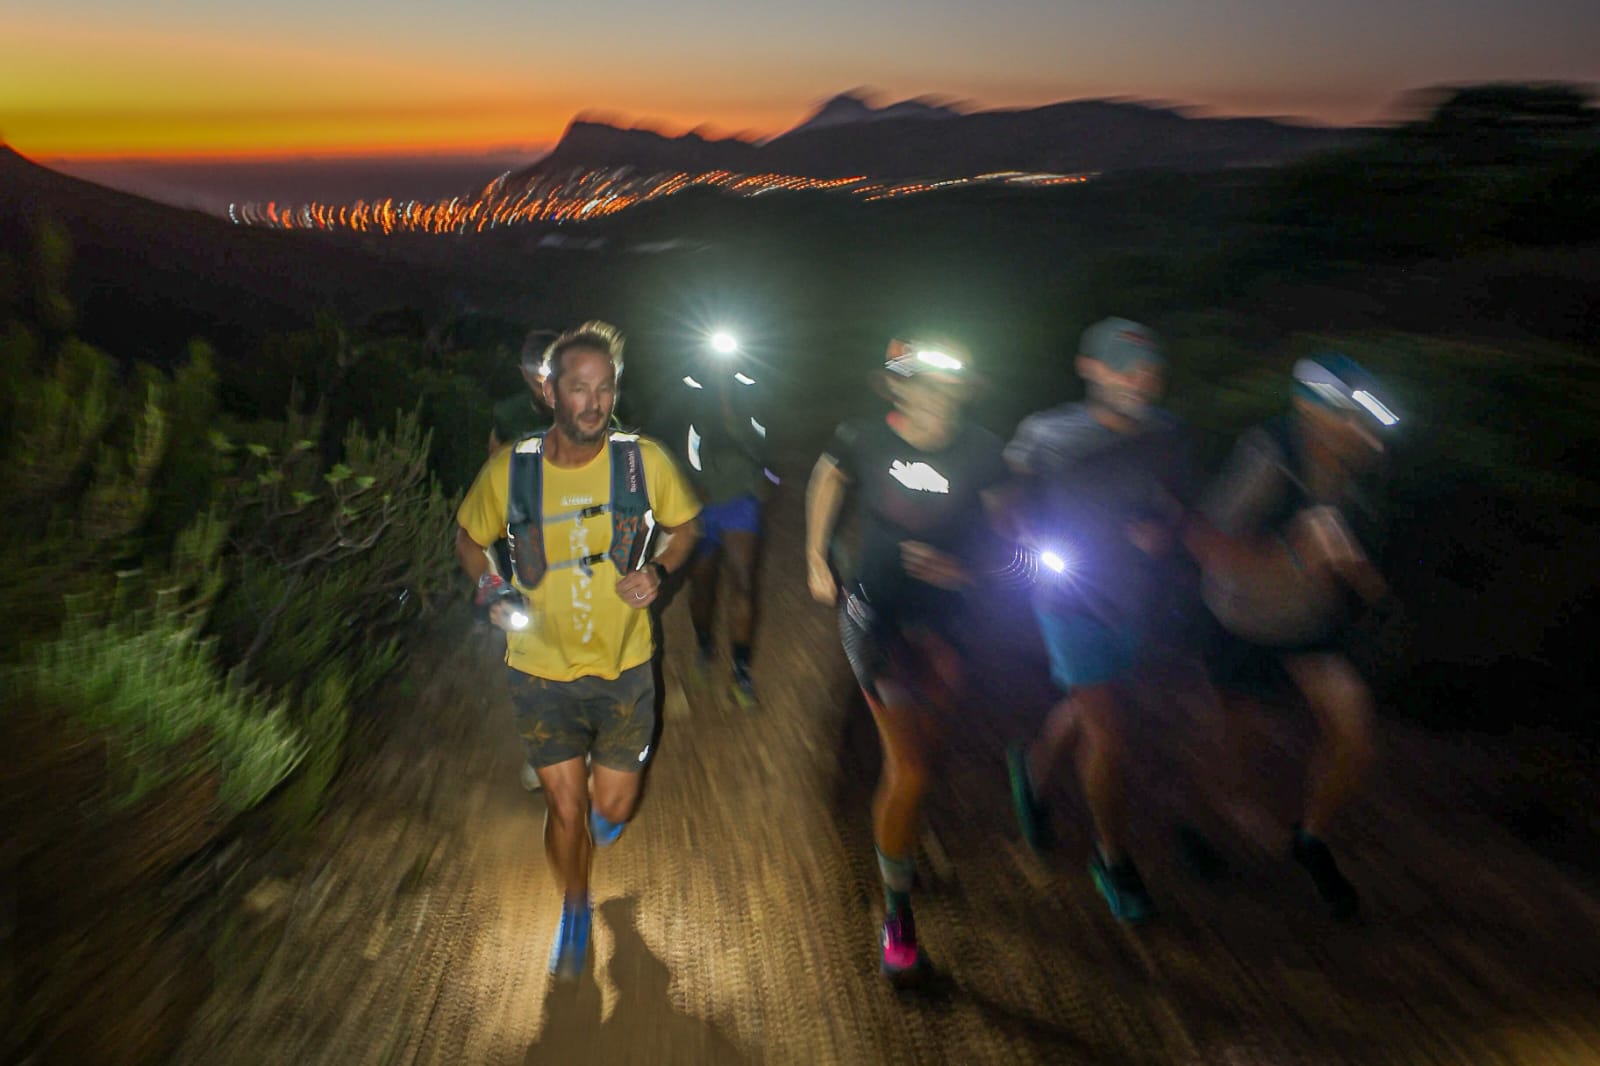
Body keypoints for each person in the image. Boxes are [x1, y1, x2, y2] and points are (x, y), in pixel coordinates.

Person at [455, 321, 701, 979]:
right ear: (551, 393)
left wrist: (662, 572)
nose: (592, 402)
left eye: (604, 388)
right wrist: (491, 590)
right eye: (578, 388)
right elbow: (467, 538)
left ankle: (600, 824)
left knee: (609, 808)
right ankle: (574, 907)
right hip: (539, 673)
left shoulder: (641, 461)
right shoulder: (514, 468)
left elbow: (685, 527)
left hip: (625, 670)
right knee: (565, 810)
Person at [804, 337, 1008, 983]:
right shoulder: (863, 437)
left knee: (929, 750)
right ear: (895, 388)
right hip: (876, 617)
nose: (935, 396)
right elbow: (828, 474)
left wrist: (968, 570)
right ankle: (897, 912)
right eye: (920, 383)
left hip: (949, 622)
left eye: (948, 385)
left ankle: (900, 838)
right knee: (911, 767)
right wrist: (816, 553)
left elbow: (1019, 550)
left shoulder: (982, 451)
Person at [1182, 351, 1396, 920]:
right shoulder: (1270, 457)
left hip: (1308, 622)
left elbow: (1339, 538)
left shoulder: (1357, 460)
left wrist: (1365, 584)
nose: (1363, 433)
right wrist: (1289, 555)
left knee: (1354, 731)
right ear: (1311, 412)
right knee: (1238, 739)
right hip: (1243, 621)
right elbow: (1205, 541)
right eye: (1349, 418)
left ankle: (1311, 840)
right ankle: (1204, 829)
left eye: (1367, 422)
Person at [1002, 317, 1185, 924]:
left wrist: (1162, 529)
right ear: (1090, 369)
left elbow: (1171, 502)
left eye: (1149, 371)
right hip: (1068, 594)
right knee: (1108, 729)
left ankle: (1031, 776)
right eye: (1124, 368)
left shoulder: (1164, 433)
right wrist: (1024, 536)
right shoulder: (1046, 434)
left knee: (1087, 705)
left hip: (1131, 596)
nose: (1140, 382)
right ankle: (1112, 859)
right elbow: (1007, 494)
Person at [657, 333, 774, 705]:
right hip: (699, 505)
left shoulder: (751, 390)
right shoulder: (685, 393)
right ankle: (705, 646)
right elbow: (663, 445)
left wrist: (765, 478)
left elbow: (768, 439)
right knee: (702, 585)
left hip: (741, 500)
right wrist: (685, 489)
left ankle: (741, 673)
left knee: (743, 582)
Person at [488, 329, 557, 454]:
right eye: (538, 385)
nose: (547, 393)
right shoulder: (507, 416)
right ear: (524, 373)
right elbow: (494, 463)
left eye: (554, 384)